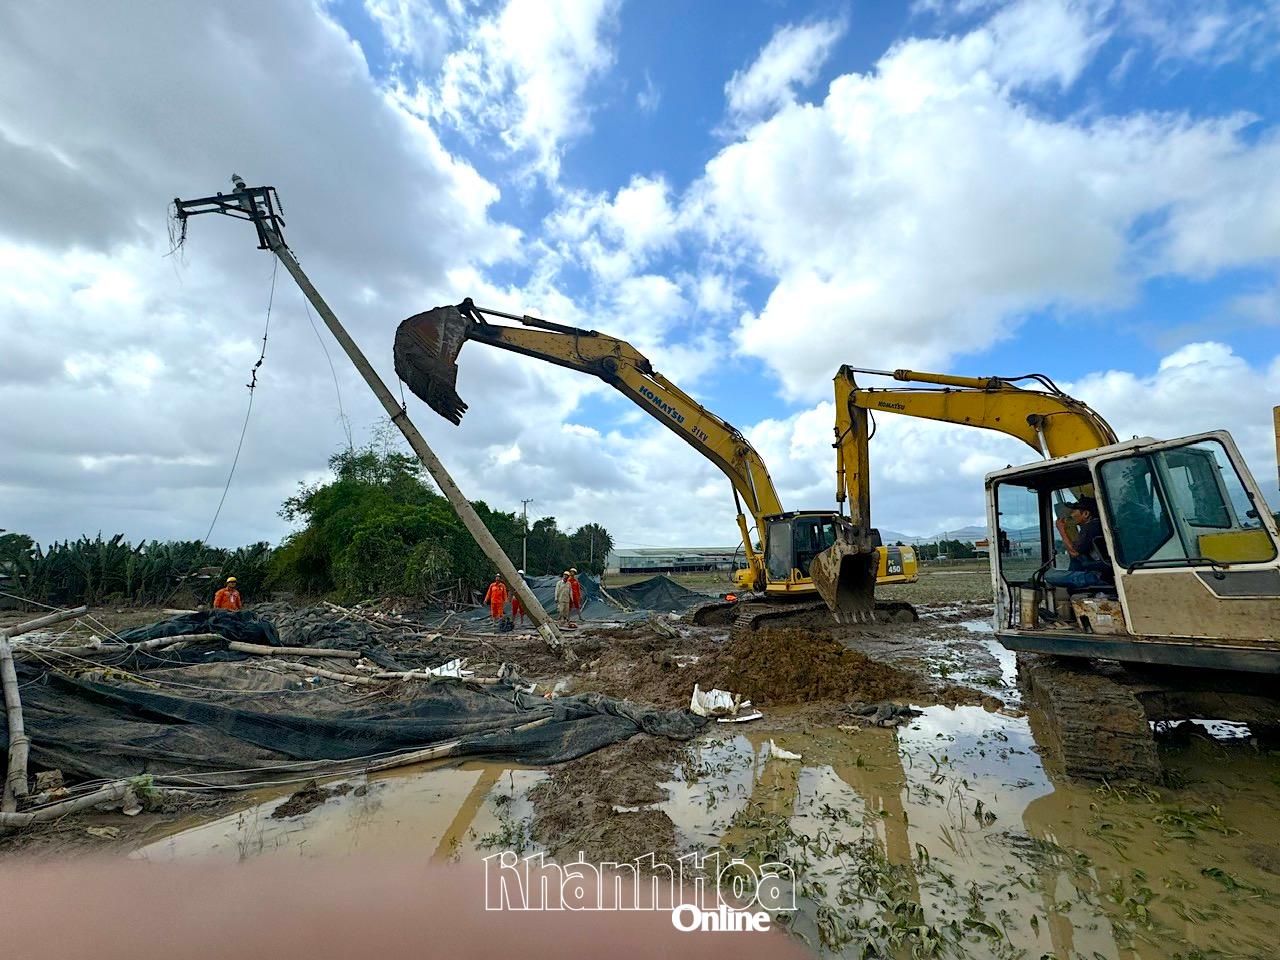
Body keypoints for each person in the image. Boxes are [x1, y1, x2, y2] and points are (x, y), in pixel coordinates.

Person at [1045, 496, 1112, 591]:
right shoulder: (1097, 525)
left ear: (1086, 513)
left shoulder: (1090, 528)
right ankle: (1072, 589)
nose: (1071, 515)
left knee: (1049, 576)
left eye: (1073, 512)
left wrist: (1061, 530)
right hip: (1100, 570)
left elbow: (1074, 552)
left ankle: (1073, 589)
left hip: (1100, 577)